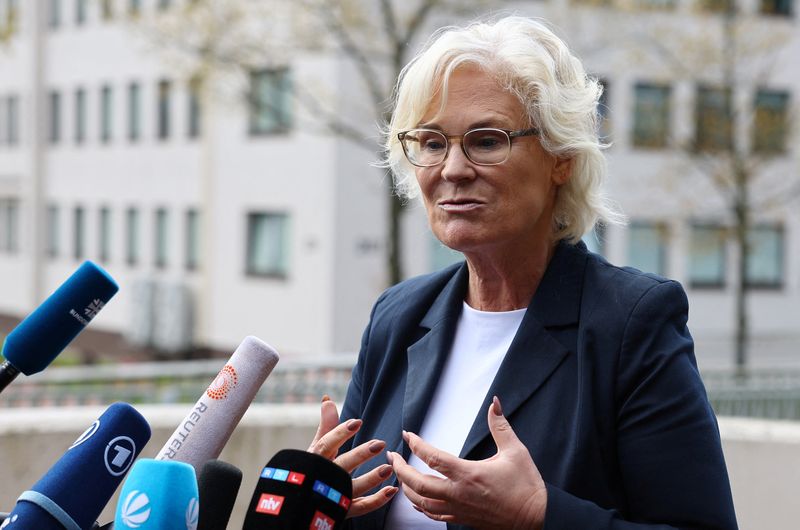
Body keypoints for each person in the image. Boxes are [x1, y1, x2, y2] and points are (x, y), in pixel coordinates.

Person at [308, 15, 738, 530]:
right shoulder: (398, 315)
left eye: (487, 141)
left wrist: (539, 515)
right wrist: (318, 499)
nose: (452, 169)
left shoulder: (630, 323)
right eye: (431, 142)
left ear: (561, 158)